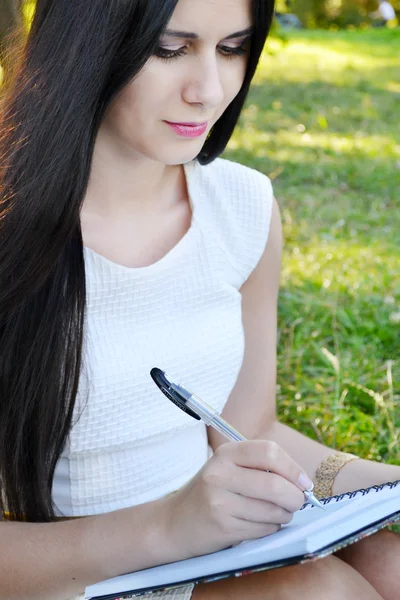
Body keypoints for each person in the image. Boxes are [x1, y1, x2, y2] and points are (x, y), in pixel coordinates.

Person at [0, 1, 399, 599]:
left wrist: (384, 488)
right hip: (71, 572)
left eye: (233, 48)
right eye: (169, 50)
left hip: (205, 544)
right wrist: (168, 526)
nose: (209, 90)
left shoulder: (242, 206)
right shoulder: (12, 235)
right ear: (84, 45)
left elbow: (250, 428)